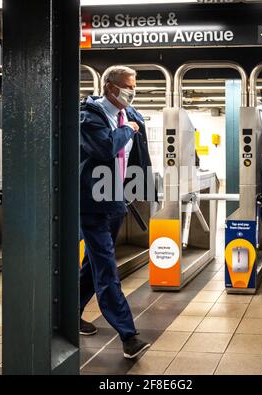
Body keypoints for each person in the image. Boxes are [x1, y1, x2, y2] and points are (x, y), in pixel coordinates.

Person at [79, 66, 154, 358]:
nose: (131, 92)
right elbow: (105, 148)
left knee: (93, 263)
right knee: (107, 267)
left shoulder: (131, 115)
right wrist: (128, 130)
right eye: (127, 86)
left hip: (115, 199)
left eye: (134, 86)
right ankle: (128, 335)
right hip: (92, 203)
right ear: (111, 87)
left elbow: (138, 154)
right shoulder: (90, 116)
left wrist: (141, 190)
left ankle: (67, 313)